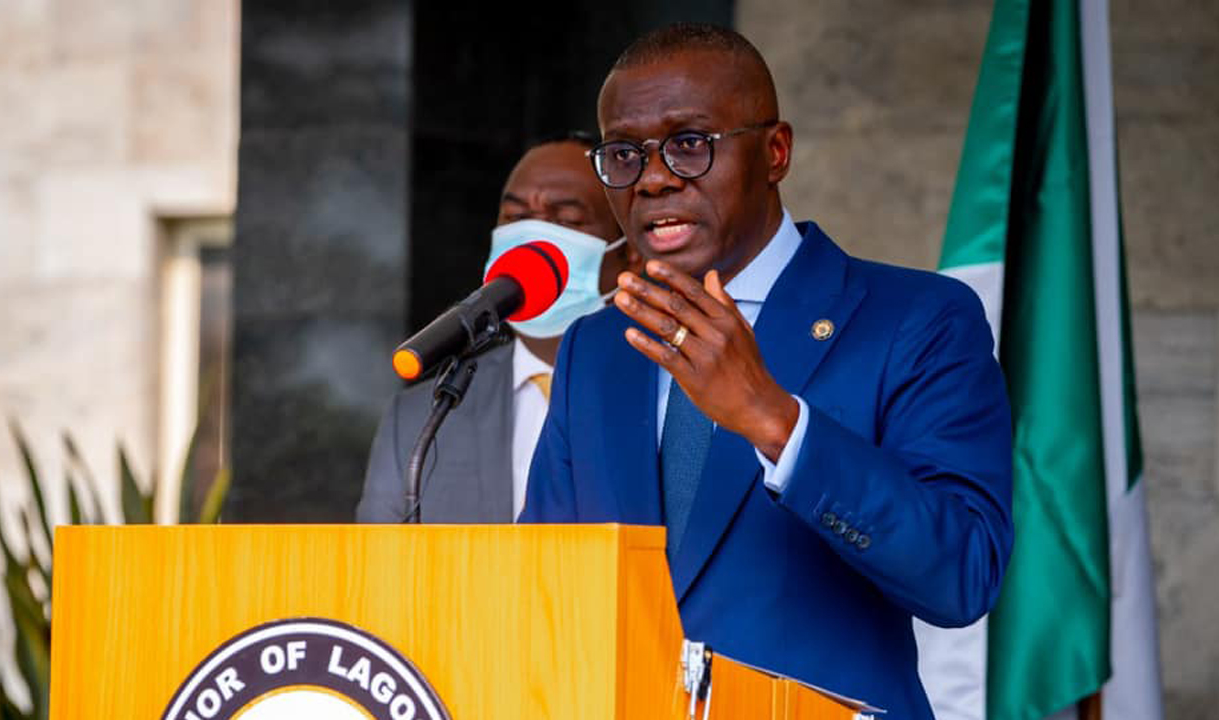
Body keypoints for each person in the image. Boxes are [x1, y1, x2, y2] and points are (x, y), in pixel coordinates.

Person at [519, 24, 1013, 720]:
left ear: (775, 151)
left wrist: (776, 422)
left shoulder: (917, 319)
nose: (654, 178)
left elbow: (962, 575)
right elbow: (541, 587)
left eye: (689, 143)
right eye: (624, 154)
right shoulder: (597, 350)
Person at [356, 134, 638, 523]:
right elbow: (378, 569)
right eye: (516, 219)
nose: (534, 243)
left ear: (631, 252)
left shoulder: (670, 391)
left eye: (567, 220)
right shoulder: (421, 417)